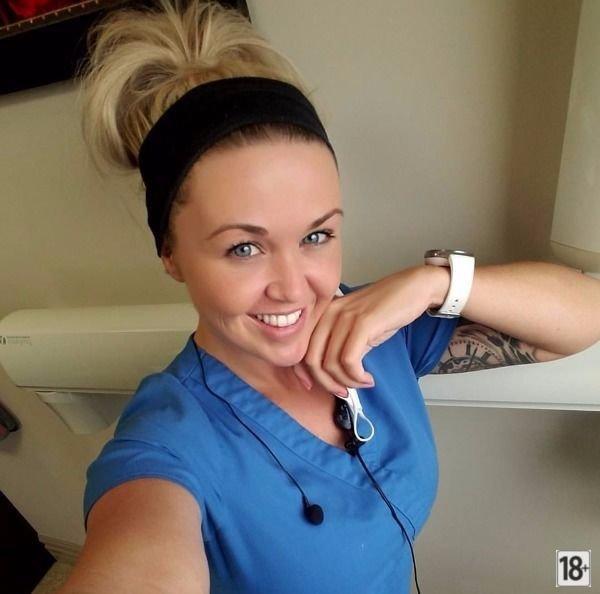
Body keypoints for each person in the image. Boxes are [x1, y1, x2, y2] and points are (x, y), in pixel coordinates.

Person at [57, 1, 600, 593]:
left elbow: (584, 317)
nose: (295, 287)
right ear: (170, 254)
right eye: (244, 247)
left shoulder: (373, 328)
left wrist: (436, 282)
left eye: (316, 236)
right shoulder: (171, 441)